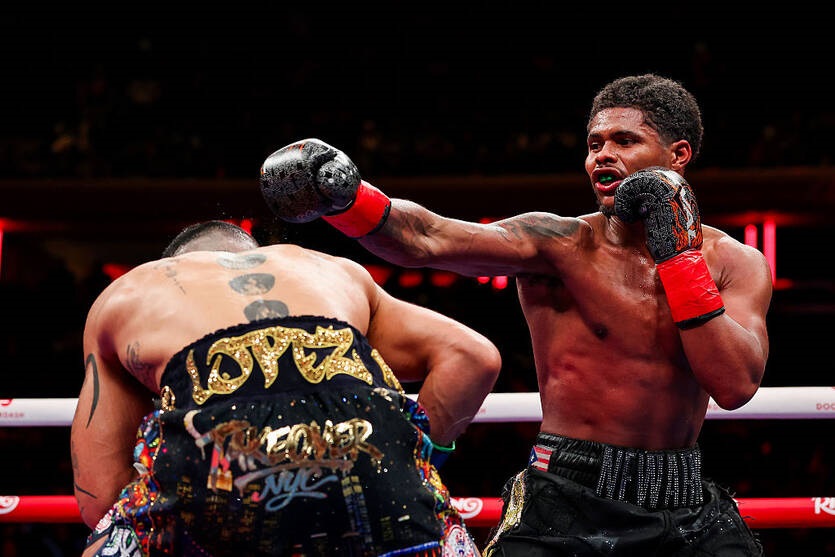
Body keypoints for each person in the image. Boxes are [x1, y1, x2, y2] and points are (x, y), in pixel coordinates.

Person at [258, 74, 773, 555]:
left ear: (678, 154)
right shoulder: (559, 245)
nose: (603, 156)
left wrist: (679, 257)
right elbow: (428, 237)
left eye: (625, 141)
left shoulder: (735, 263)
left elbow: (734, 385)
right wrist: (348, 200)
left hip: (683, 499)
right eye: (594, 144)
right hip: (566, 496)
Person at [71, 219, 502, 556]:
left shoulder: (130, 291)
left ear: (173, 264)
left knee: (110, 535)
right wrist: (411, 456)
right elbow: (472, 358)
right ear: (258, 254)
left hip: (218, 473)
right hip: (368, 456)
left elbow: (99, 496)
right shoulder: (327, 269)